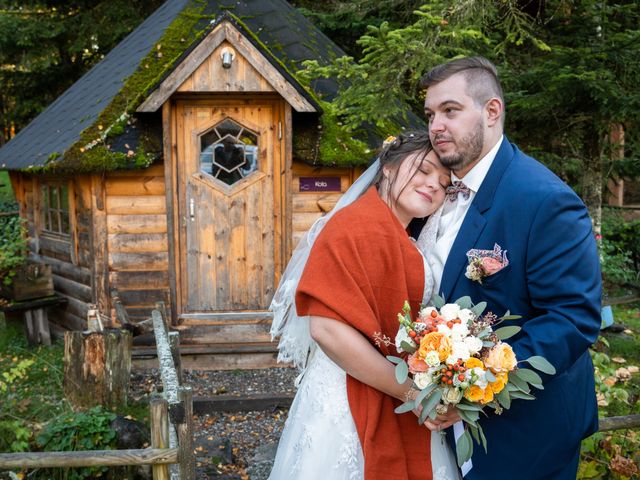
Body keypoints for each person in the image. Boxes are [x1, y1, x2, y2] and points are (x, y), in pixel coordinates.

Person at [414, 56, 601, 479]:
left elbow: (572, 318)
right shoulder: (429, 193)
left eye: (450, 110)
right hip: (442, 429)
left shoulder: (544, 200)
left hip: (527, 434)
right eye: (430, 114)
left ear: (492, 111)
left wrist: (472, 385)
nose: (435, 125)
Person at [268, 132, 460, 480]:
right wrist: (412, 392)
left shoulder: (407, 240)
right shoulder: (352, 226)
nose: (434, 185)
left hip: (398, 390)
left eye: (444, 184)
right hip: (349, 394)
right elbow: (326, 329)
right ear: (387, 167)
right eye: (424, 170)